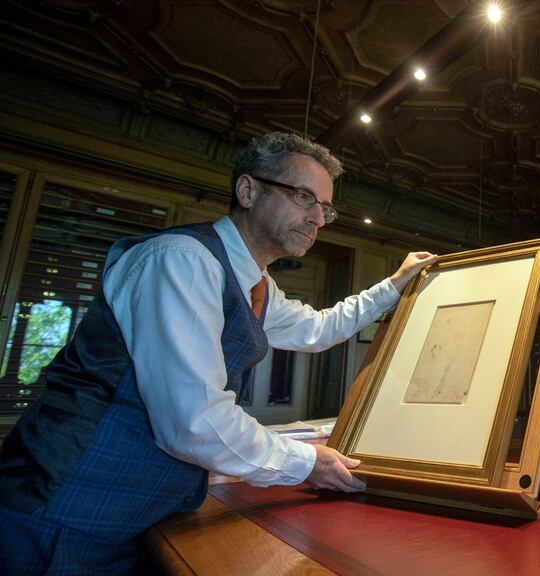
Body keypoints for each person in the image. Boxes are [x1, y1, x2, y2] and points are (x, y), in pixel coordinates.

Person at [0, 132, 438, 574]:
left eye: (324, 207)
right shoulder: (181, 260)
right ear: (248, 190)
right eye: (304, 197)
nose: (317, 219)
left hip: (138, 516)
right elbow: (194, 420)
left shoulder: (256, 283)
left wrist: (394, 285)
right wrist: (309, 462)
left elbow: (318, 329)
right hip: (63, 508)